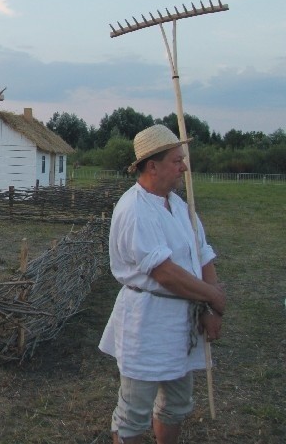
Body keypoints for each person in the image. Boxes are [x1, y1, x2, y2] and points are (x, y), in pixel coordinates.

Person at [99, 125, 226, 444]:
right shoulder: (135, 208)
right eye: (176, 160)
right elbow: (164, 272)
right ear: (152, 166)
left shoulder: (180, 205)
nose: (183, 166)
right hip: (147, 321)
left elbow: (203, 253)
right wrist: (212, 295)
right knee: (133, 413)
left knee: (177, 404)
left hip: (181, 321)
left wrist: (212, 307)